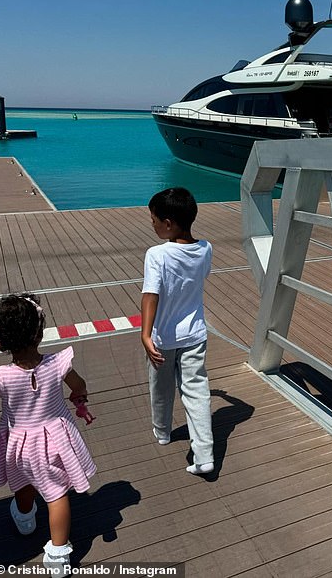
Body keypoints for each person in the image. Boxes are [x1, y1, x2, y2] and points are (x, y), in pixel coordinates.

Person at [0, 293, 96, 572]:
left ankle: (25, 521)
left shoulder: (0, 376)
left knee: (23, 485)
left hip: (20, 446)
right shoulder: (57, 364)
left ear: (1, 340)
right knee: (56, 494)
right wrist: (79, 396)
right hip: (55, 442)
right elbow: (79, 384)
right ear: (39, 333)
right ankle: (59, 556)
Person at [141, 187, 214, 475]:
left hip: (162, 337)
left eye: (154, 220)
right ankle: (205, 455)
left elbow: (150, 295)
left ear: (168, 223)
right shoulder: (206, 248)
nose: (153, 224)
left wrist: (145, 334)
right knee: (197, 392)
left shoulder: (157, 254)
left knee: (161, 387)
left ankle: (162, 432)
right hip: (195, 334)